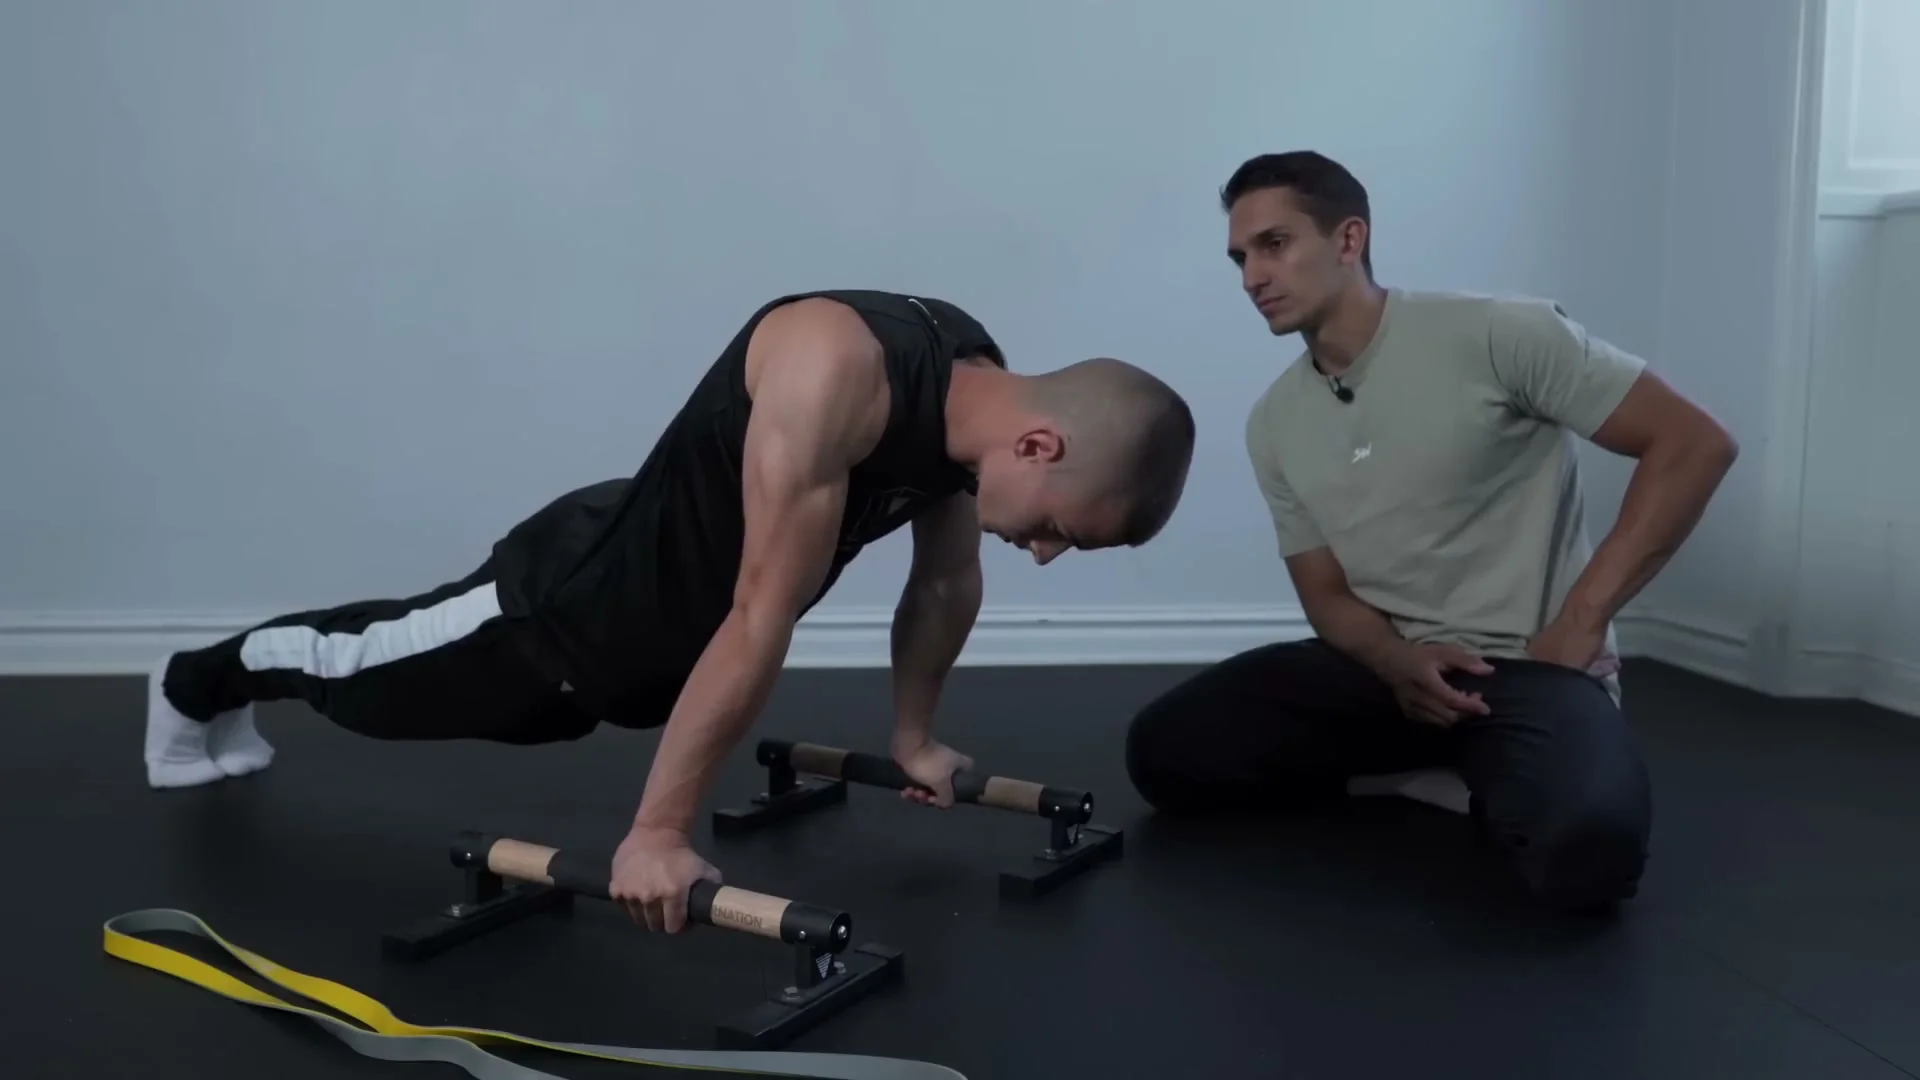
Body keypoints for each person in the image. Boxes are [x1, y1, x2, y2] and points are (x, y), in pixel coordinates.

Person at [146, 289, 1196, 932]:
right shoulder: (838, 365)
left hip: (658, 654)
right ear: (1042, 448)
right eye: (1069, 531)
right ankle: (193, 680)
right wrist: (655, 834)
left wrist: (913, 738)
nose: (1048, 555)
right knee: (359, 673)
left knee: (480, 698)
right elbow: (757, 613)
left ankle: (212, 686)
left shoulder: (976, 409)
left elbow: (944, 580)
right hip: (562, 612)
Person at [1125, 152, 1738, 911]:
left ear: (1349, 240)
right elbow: (1325, 593)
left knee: (1589, 851)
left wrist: (1581, 624)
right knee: (1163, 756)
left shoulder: (1499, 334)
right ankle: (1431, 770)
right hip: (1387, 675)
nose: (1251, 276)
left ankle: (1474, 767)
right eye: (1240, 257)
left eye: (1274, 245)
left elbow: (1693, 444)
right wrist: (1394, 660)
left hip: (1525, 672)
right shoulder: (1274, 422)